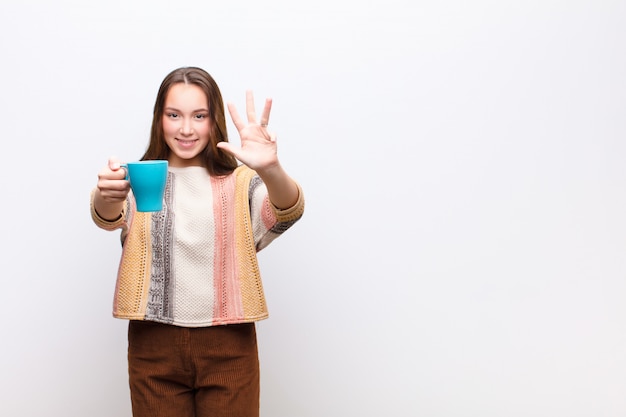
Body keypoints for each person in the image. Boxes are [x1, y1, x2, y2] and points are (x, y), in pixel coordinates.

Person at [90, 66, 304, 417]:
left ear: (213, 119)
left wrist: (271, 169)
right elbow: (106, 214)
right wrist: (107, 193)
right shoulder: (138, 178)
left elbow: (287, 210)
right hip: (153, 343)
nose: (186, 129)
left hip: (229, 345)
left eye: (199, 116)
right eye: (174, 115)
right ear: (160, 119)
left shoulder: (240, 182)